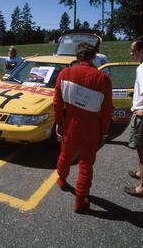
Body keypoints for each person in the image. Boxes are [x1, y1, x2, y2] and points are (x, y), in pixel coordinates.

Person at [53, 42, 113, 213]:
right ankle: (81, 199)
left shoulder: (65, 73)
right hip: (92, 126)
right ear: (94, 56)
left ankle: (62, 179)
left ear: (77, 56)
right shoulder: (103, 79)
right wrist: (104, 131)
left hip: (70, 122)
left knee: (65, 154)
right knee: (86, 163)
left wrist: (59, 122)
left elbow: (57, 102)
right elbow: (106, 110)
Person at [124, 38, 143, 198]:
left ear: (142, 51)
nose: (131, 53)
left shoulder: (142, 68)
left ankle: (142, 188)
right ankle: (140, 173)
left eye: (133, 51)